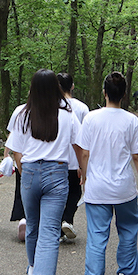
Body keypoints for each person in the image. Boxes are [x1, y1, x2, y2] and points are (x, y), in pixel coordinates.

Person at [5, 69, 82, 275]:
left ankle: (32, 269)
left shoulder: (22, 113)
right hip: (57, 173)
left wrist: (23, 171)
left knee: (32, 225)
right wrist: (83, 170)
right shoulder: (67, 113)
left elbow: (16, 149)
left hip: (29, 172)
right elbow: (79, 145)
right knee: (49, 230)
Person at [75, 72, 138, 275]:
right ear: (124, 94)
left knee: (97, 236)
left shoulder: (91, 118)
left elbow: (84, 153)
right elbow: (137, 156)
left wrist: (85, 176)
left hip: (97, 188)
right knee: (128, 230)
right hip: (124, 188)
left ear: (104, 93)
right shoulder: (131, 121)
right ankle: (127, 274)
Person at [57, 72, 90, 241]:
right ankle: (67, 219)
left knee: (56, 195)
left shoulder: (51, 106)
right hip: (75, 159)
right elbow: (86, 137)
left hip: (56, 159)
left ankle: (59, 227)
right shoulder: (82, 108)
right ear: (72, 86)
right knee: (74, 193)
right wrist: (83, 165)